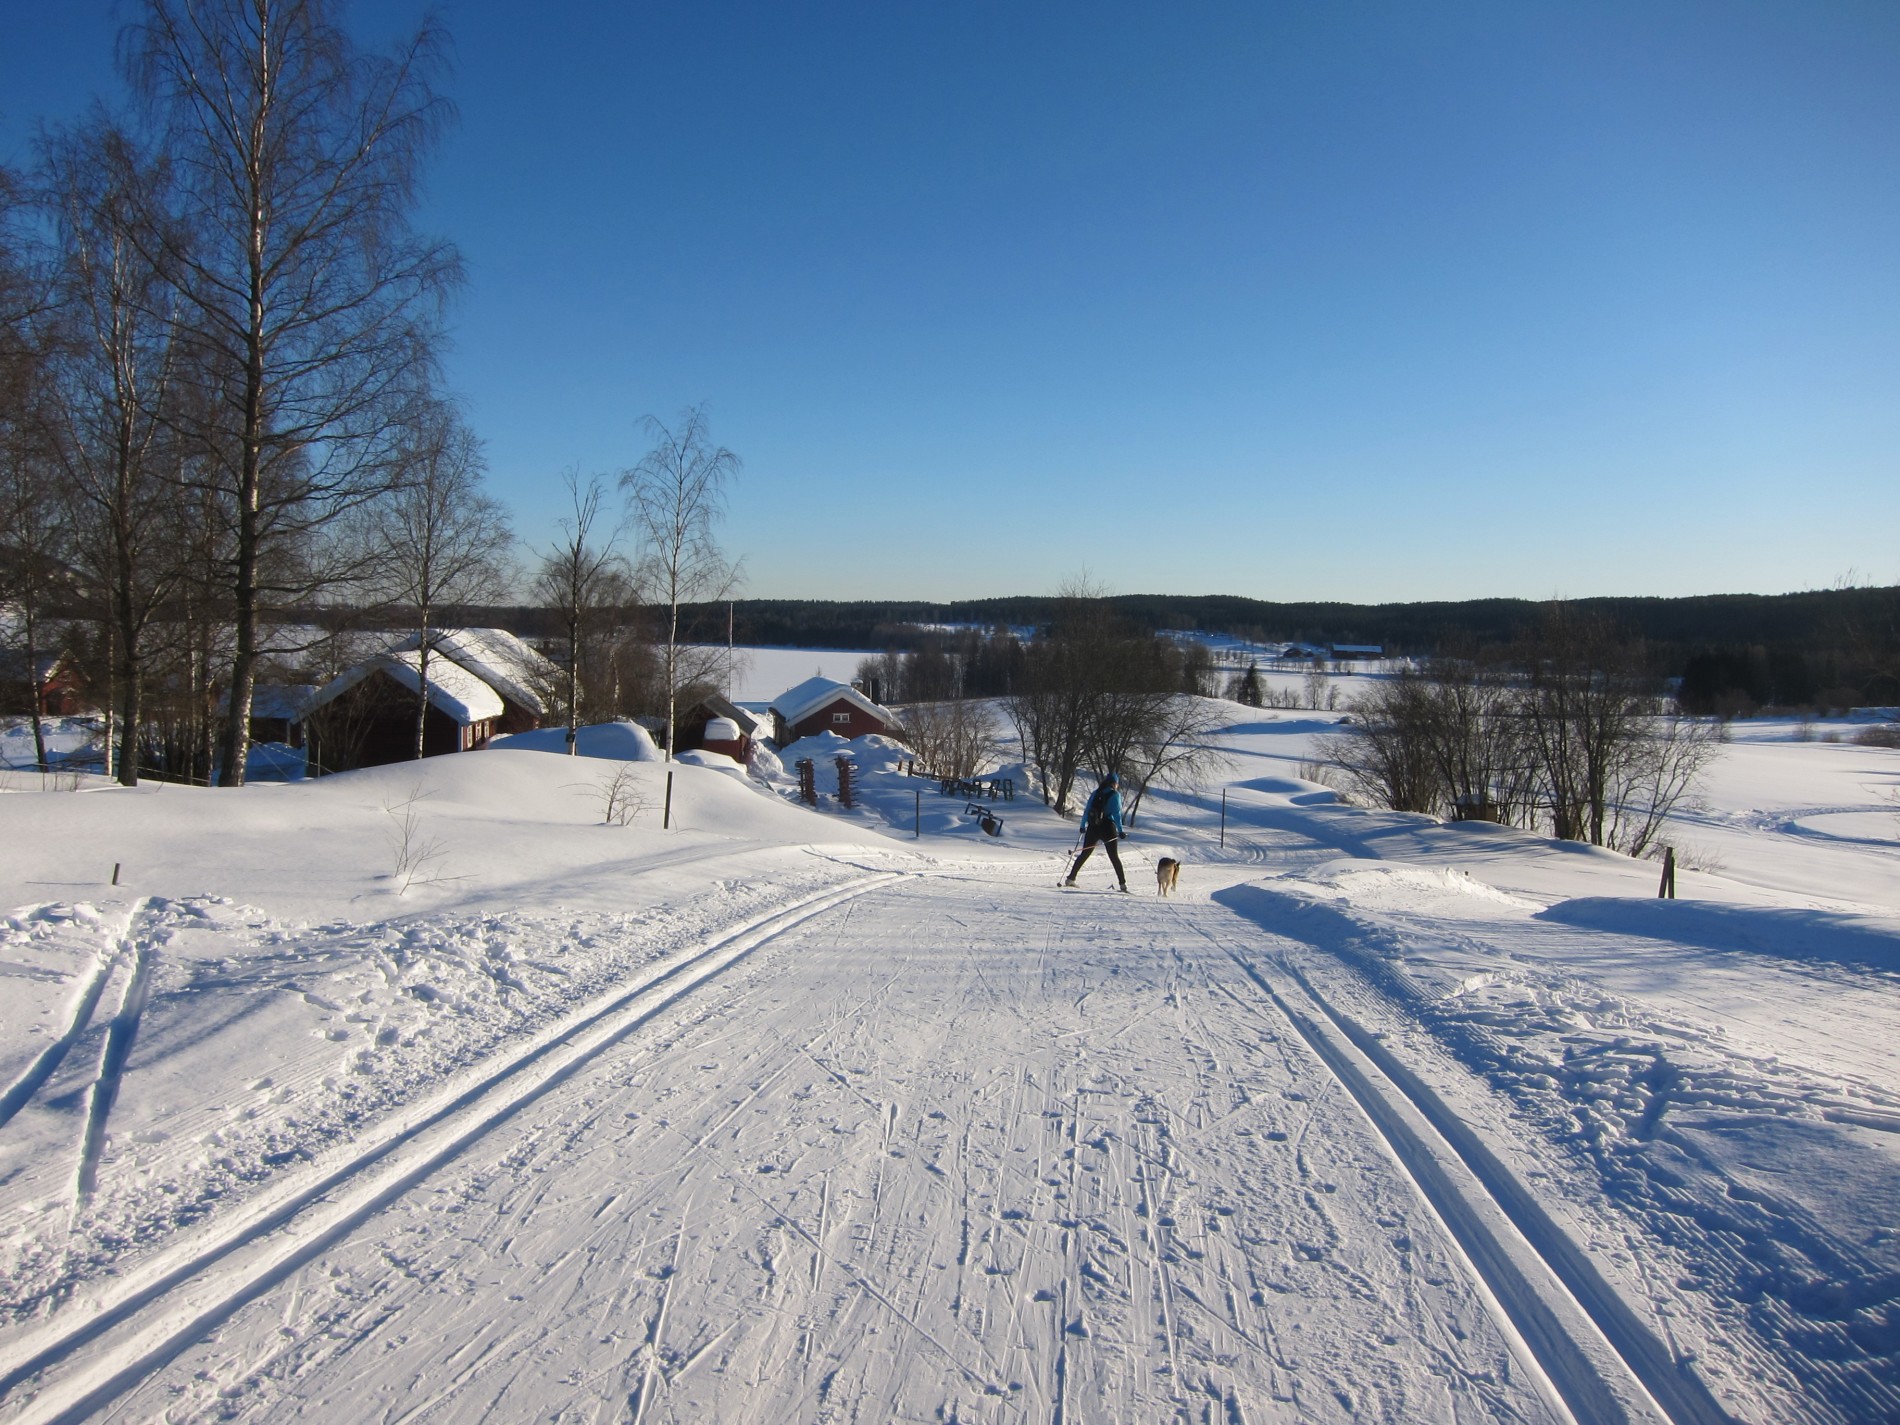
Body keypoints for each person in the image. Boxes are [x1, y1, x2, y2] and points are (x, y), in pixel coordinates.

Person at [1064, 773, 1128, 891]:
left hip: (1093, 827)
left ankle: (1071, 878)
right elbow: (1116, 814)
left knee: (1085, 853)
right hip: (1107, 827)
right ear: (1114, 783)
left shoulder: (1096, 793)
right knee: (1114, 856)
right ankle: (1122, 884)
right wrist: (1120, 831)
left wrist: (1083, 825)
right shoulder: (1115, 795)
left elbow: (1087, 810)